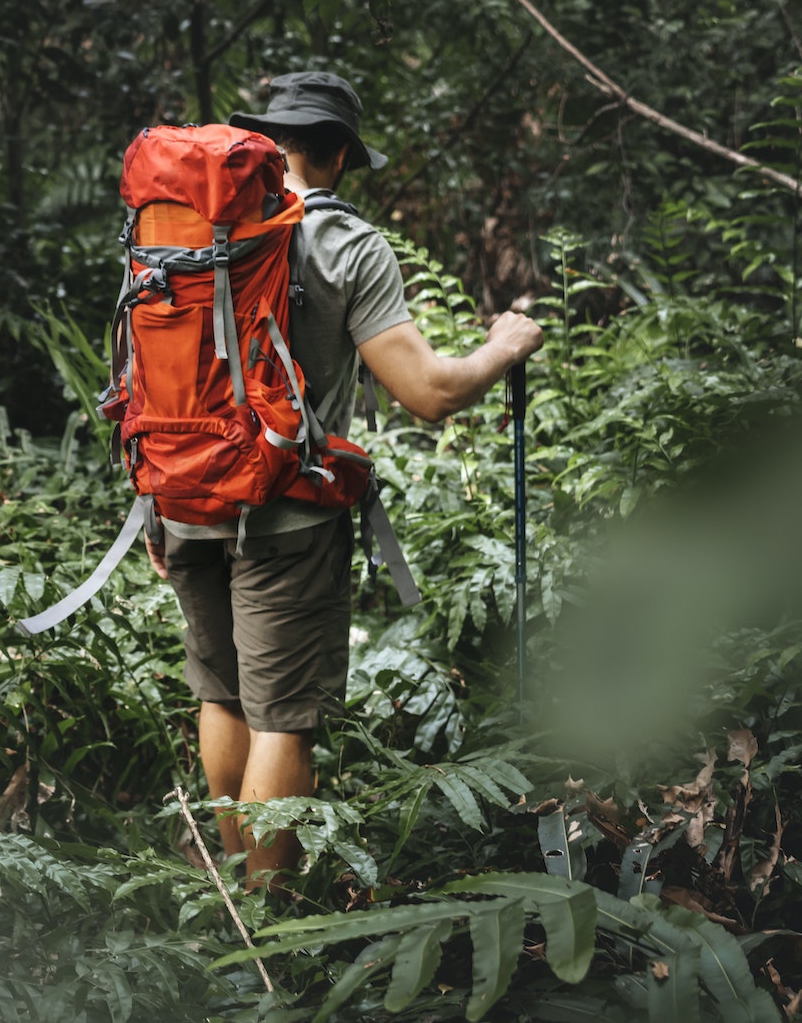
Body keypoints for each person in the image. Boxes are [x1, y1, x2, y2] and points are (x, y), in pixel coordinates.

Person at [152, 72, 543, 884]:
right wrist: (505, 343)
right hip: (285, 514)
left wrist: (155, 499)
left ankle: (233, 889)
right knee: (282, 719)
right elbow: (429, 392)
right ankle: (271, 917)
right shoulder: (347, 243)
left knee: (221, 696)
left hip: (181, 495)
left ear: (268, 140)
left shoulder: (183, 225)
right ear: (336, 154)